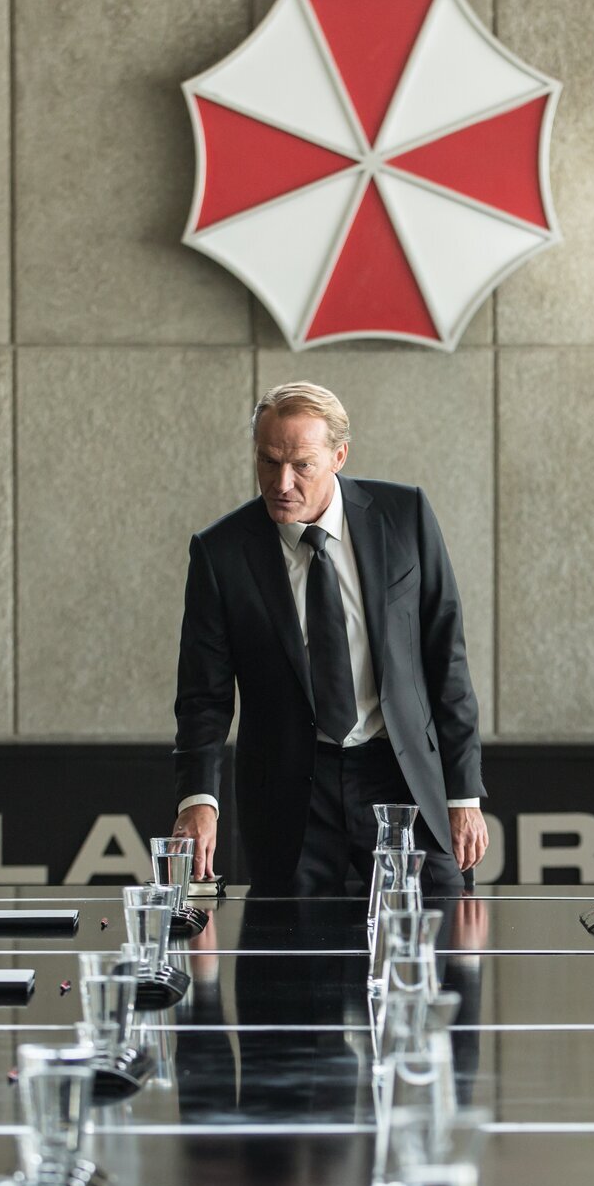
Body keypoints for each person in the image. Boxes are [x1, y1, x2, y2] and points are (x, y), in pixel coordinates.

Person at [171, 382, 487, 896]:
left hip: (402, 776)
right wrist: (198, 801)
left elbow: (445, 658)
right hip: (290, 794)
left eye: (302, 465)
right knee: (291, 945)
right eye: (268, 461)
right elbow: (203, 697)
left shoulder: (404, 516)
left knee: (439, 934)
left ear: (339, 456)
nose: (281, 482)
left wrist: (463, 795)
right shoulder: (221, 553)